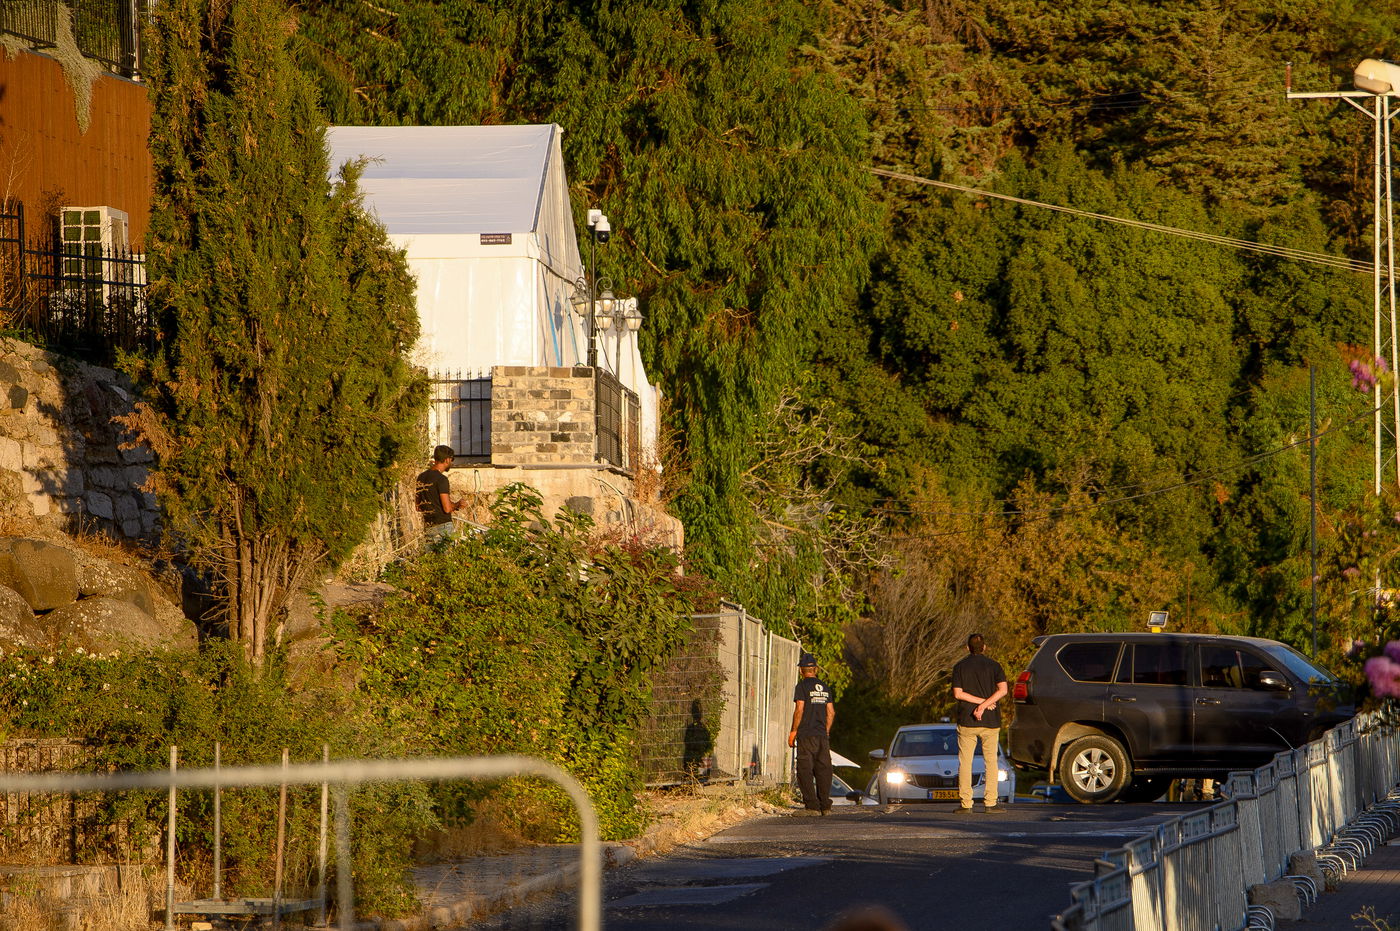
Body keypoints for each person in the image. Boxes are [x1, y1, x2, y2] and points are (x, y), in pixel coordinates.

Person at [951, 632, 1008, 813]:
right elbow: (1003, 690)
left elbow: (958, 694)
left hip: (967, 720)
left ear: (967, 648)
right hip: (990, 722)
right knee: (991, 762)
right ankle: (990, 803)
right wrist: (985, 704)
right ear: (984, 648)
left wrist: (979, 704)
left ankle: (966, 804)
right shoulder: (994, 666)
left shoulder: (960, 667)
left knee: (965, 762)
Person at [789, 651, 835, 815]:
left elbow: (799, 709)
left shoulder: (801, 687)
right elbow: (831, 712)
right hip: (822, 735)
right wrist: (826, 731)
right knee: (824, 769)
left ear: (801, 670)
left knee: (805, 769)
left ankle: (811, 806)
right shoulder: (825, 687)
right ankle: (825, 806)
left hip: (806, 734)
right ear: (815, 669)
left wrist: (793, 731)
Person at [415, 445, 460, 539]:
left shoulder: (421, 477)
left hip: (428, 527)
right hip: (443, 526)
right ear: (447, 459)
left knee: (430, 554)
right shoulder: (442, 479)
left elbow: (418, 506)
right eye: (452, 459)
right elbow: (447, 508)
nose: (451, 462)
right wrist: (457, 505)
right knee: (447, 553)